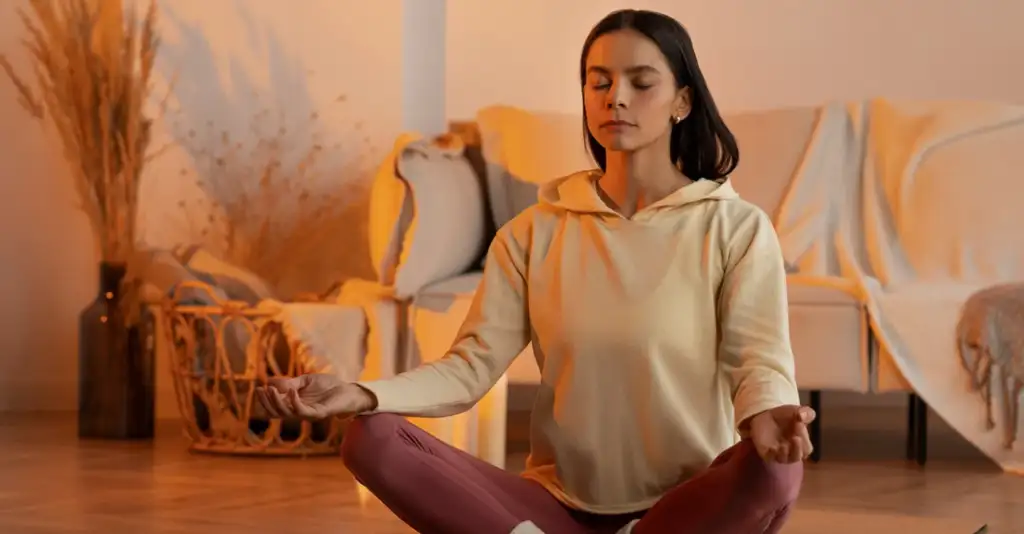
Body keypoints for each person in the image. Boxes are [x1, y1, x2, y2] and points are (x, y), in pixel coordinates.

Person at [256, 8, 814, 534]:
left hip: (681, 506)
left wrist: (765, 414)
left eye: (641, 83)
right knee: (370, 439)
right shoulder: (533, 232)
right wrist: (358, 392)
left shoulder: (736, 229)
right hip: (553, 507)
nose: (616, 98)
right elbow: (467, 369)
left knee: (776, 472)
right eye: (599, 82)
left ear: (682, 101)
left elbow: (758, 358)